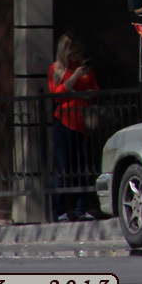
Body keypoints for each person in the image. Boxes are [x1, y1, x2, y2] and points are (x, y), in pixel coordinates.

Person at [48, 33, 99, 222]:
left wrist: (85, 92)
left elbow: (95, 90)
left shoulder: (85, 70)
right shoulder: (56, 69)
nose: (77, 56)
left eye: (79, 52)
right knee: (62, 168)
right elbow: (57, 93)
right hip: (64, 122)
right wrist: (75, 77)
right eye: (73, 53)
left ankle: (80, 209)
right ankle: (60, 211)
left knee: (81, 167)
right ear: (65, 52)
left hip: (82, 123)